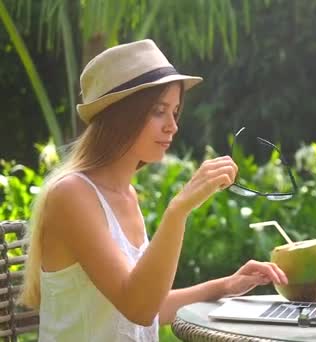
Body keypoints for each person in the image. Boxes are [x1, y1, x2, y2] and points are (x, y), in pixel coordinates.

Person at [20, 39, 288, 342]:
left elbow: (149, 307)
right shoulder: (71, 195)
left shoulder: (126, 195)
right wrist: (179, 210)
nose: (172, 126)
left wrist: (226, 286)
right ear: (121, 115)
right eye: (159, 111)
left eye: (174, 112)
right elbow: (138, 307)